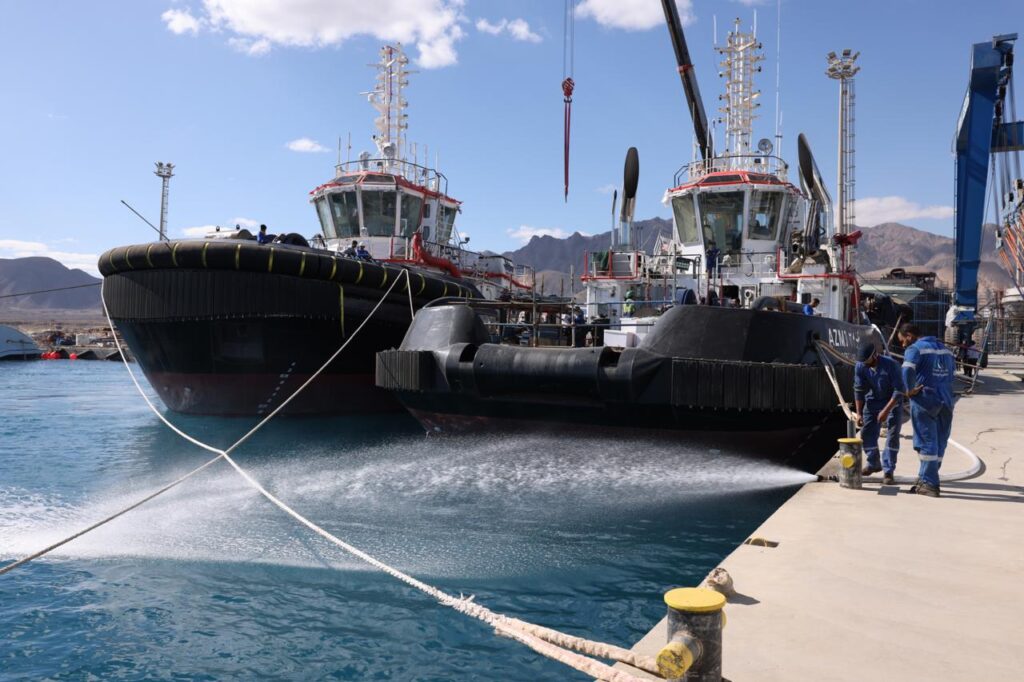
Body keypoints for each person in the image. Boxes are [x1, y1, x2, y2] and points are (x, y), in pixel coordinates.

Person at [898, 322, 956, 497]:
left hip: (926, 400)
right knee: (940, 441)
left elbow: (907, 370)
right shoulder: (946, 350)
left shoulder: (915, 349)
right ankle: (926, 476)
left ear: (909, 336)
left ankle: (930, 483)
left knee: (926, 441)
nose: (902, 345)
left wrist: (909, 390)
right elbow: (952, 374)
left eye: (902, 340)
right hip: (946, 400)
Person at [854, 342, 906, 485]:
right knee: (866, 432)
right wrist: (859, 413)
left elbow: (899, 391)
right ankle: (874, 463)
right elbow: (858, 389)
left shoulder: (892, 365)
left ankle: (888, 471)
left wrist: (886, 411)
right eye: (863, 362)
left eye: (867, 361)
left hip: (892, 401)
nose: (865, 365)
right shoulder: (860, 366)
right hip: (873, 400)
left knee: (892, 435)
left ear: (875, 356)